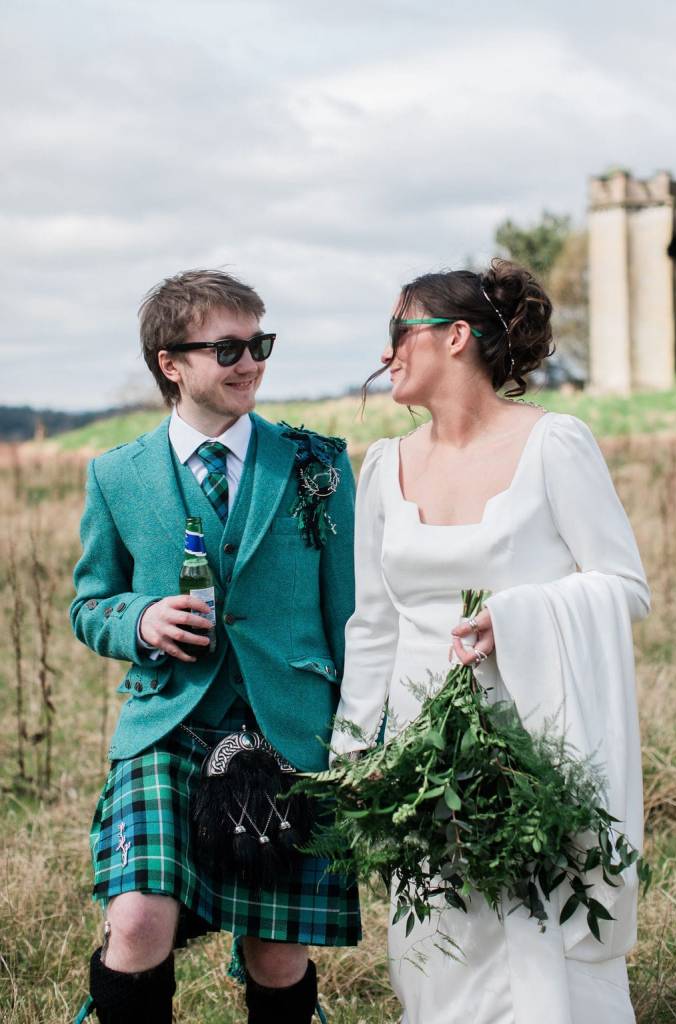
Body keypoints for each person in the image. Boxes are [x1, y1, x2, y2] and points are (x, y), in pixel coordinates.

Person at [330, 259, 649, 1024]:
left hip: (531, 737)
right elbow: (371, 623)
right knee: (438, 936)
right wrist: (353, 750)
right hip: (418, 751)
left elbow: (623, 585)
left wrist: (518, 618)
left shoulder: (553, 444)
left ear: (457, 338)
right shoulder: (382, 465)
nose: (386, 354)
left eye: (399, 333)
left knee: (532, 933)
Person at [70, 269, 359, 1024]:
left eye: (260, 344)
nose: (251, 363)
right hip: (168, 720)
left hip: (288, 723)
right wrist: (139, 621)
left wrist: (365, 733)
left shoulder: (315, 465)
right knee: (136, 920)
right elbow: (89, 601)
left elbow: (351, 610)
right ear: (171, 362)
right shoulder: (116, 475)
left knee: (275, 948)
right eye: (228, 347)